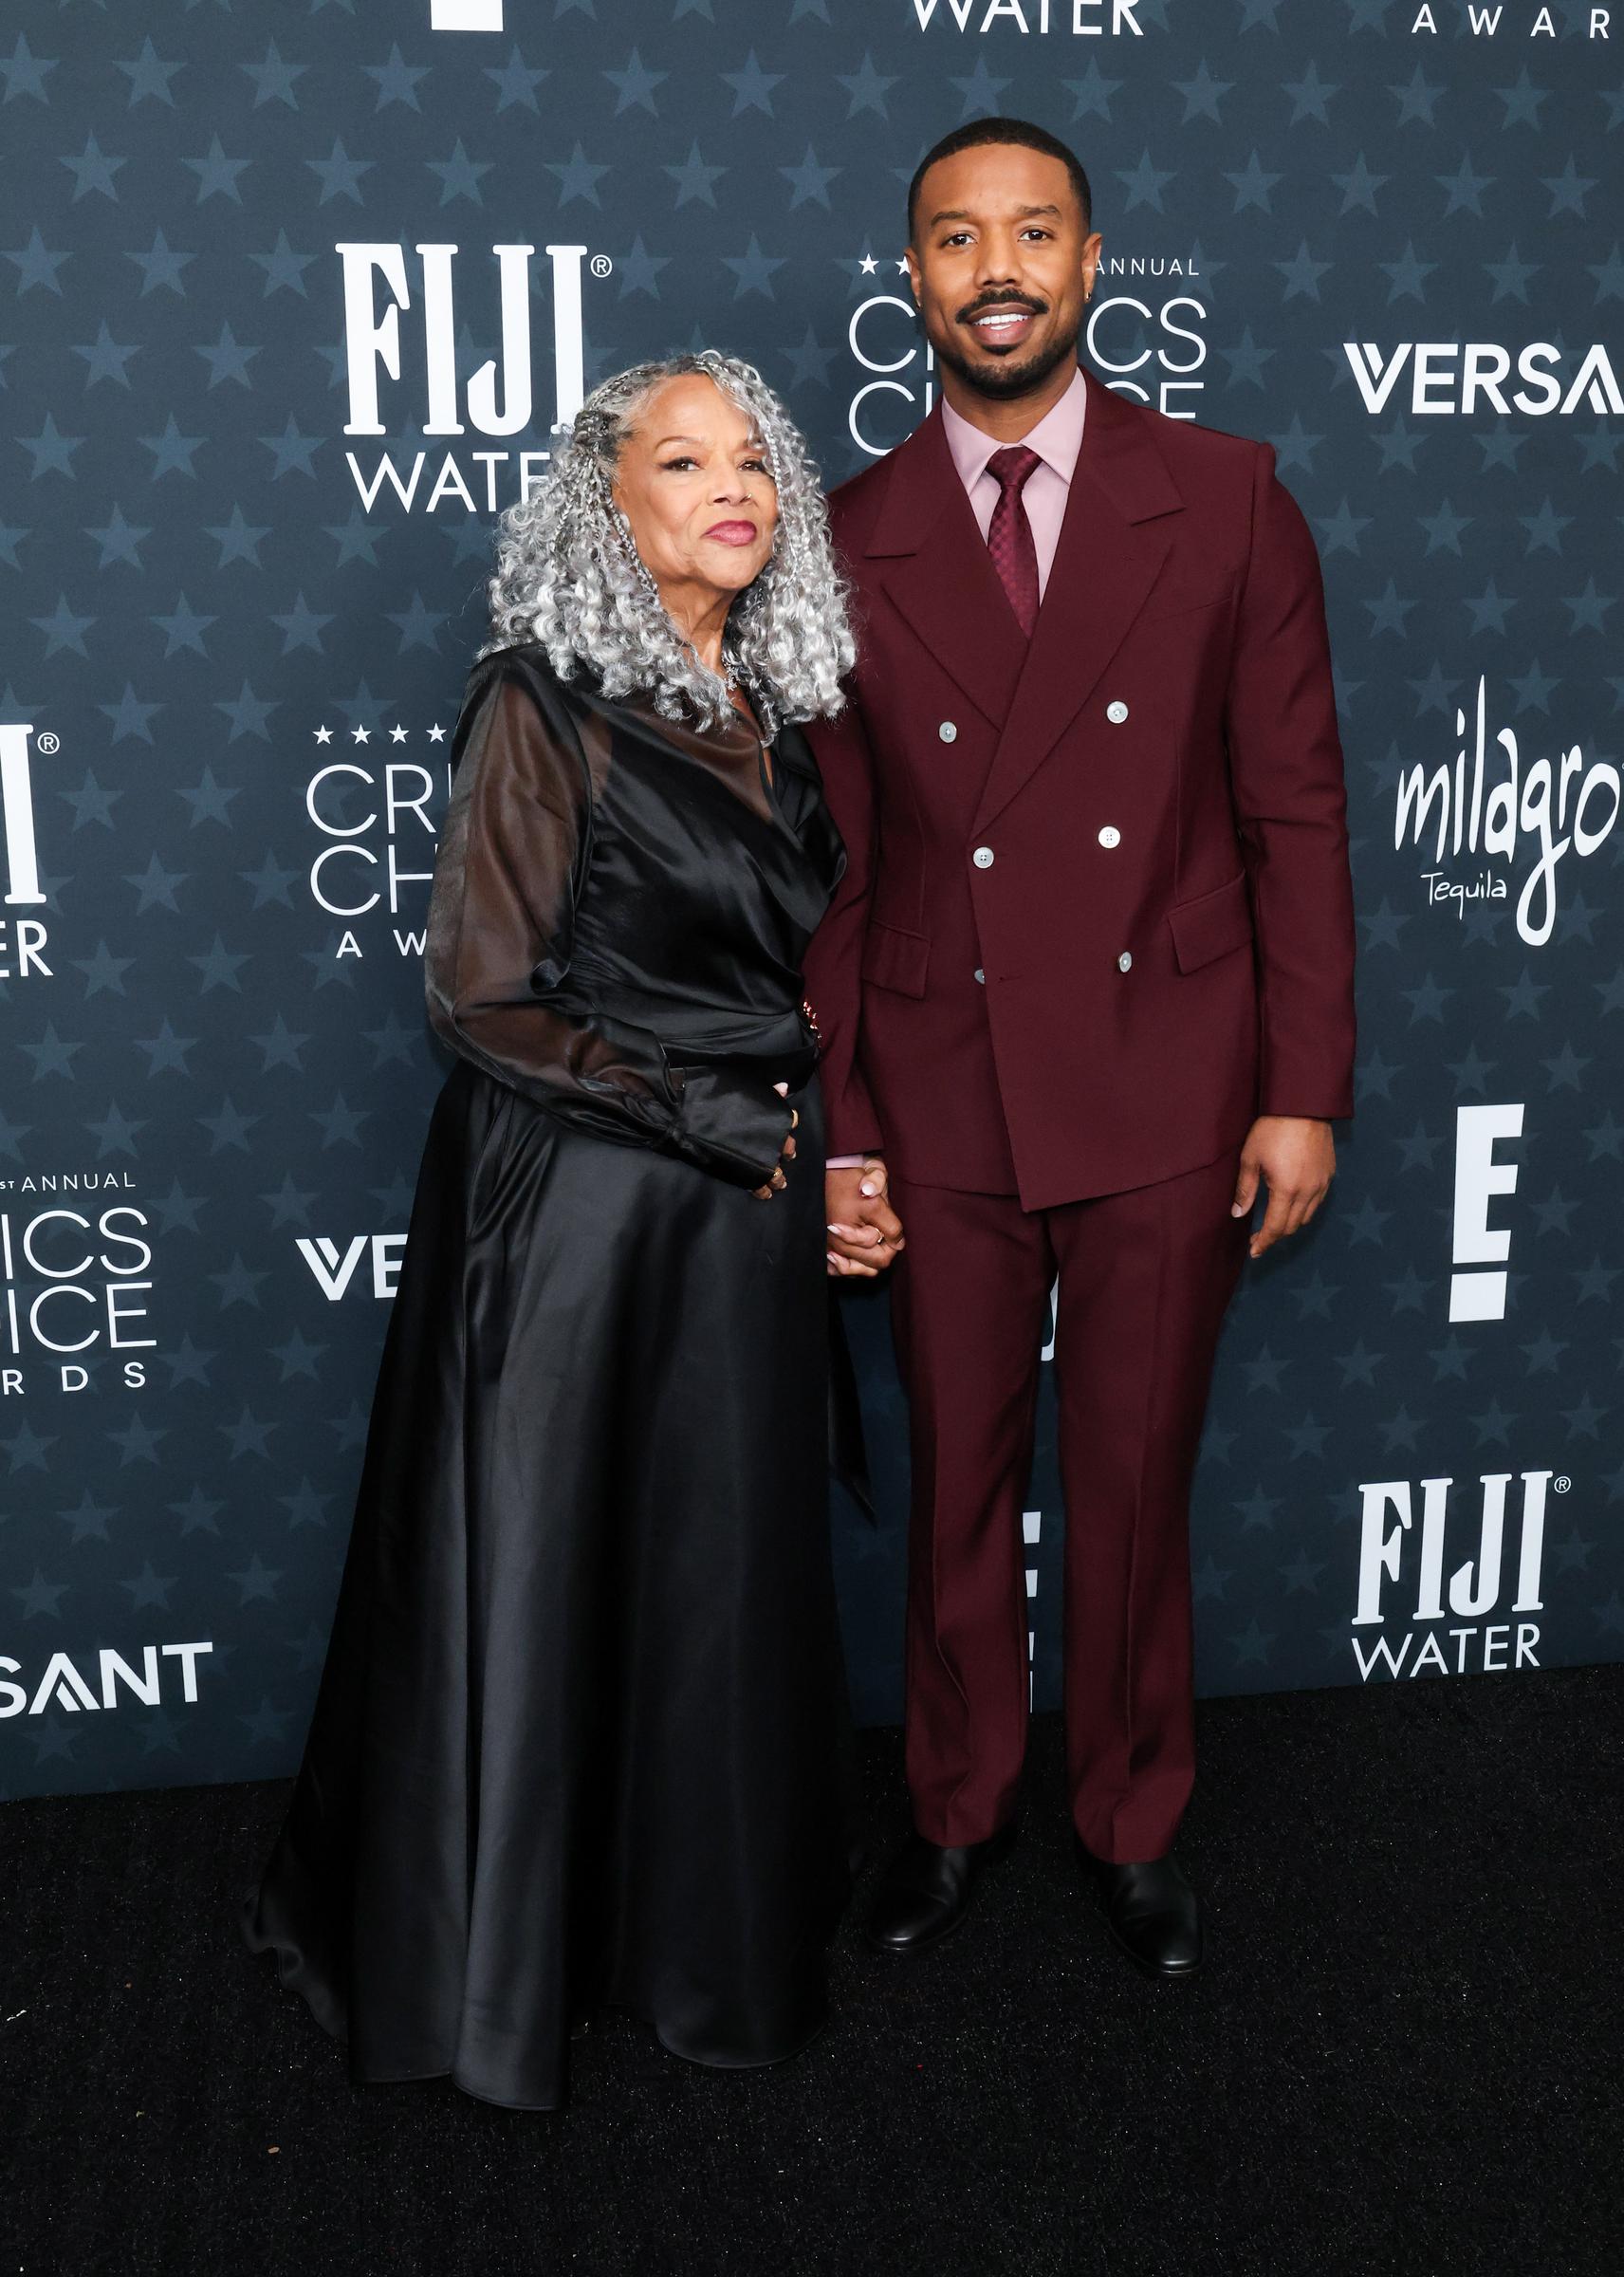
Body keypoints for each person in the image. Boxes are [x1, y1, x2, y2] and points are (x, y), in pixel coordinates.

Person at [243, 350, 877, 2110]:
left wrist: (811, 1142)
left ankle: (691, 1935)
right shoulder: (543, 701)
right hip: (584, 1212)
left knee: (710, 1576)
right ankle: (505, 1968)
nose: (734, 487)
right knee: (552, 1562)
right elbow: (481, 999)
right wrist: (722, 1122)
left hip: (736, 1200)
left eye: (756, 460)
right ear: (614, 504)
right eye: (686, 462)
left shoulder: (776, 696)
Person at [806, 120, 1356, 1976]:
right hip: (940, 1074)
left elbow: (1294, 814)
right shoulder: (848, 533)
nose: (996, 268)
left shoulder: (1225, 497)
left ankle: (1132, 1816)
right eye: (956, 240)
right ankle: (953, 1812)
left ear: (1094, 259)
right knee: (957, 1467)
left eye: (1030, 231)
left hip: (1168, 1068)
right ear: (914, 281)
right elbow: (836, 871)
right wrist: (844, 1130)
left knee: (1130, 1470)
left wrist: (1302, 1088)